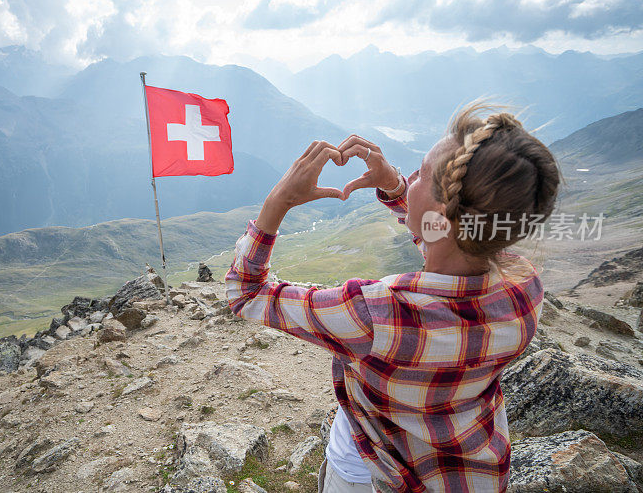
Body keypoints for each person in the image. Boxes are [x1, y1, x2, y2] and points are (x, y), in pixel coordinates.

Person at [225, 101, 562, 492]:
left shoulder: (373, 314)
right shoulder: (524, 286)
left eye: (421, 173)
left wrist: (279, 201)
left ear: (443, 211)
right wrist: (398, 188)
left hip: (373, 476)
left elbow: (244, 292)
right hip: (472, 474)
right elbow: (455, 242)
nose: (412, 175)